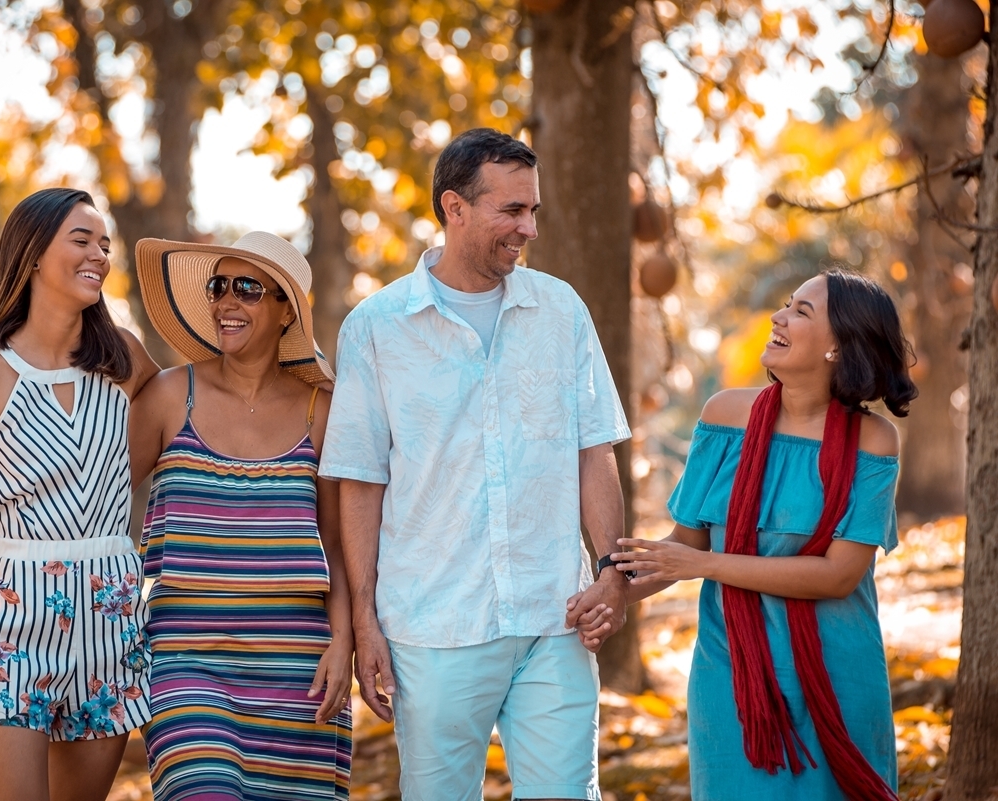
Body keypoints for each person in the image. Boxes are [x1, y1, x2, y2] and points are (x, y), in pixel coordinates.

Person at [320, 127, 629, 801]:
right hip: (435, 626)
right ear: (454, 208)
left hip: (556, 615)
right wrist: (365, 620)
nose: (529, 227)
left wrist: (610, 572)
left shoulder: (561, 311)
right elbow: (361, 481)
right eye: (512, 211)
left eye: (534, 210)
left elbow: (593, 451)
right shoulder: (377, 328)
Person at [606, 270, 915, 801]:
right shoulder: (724, 415)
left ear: (839, 347)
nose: (779, 317)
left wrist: (708, 567)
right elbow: (687, 543)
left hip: (837, 678)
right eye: (785, 305)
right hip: (732, 676)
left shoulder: (874, 441)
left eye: (802, 312)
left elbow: (839, 575)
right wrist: (607, 594)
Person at [0, 188, 159, 801]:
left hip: (112, 619)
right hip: (11, 628)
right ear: (30, 254)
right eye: (81, 240)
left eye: (104, 245)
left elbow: (188, 417)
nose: (99, 255)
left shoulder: (123, 358)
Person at [128, 232, 351, 799]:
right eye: (219, 286)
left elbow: (338, 543)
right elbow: (91, 504)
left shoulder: (319, 410)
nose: (227, 301)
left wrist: (343, 640)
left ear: (285, 311)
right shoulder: (167, 396)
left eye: (248, 289)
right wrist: (7, 553)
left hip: (297, 671)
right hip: (185, 664)